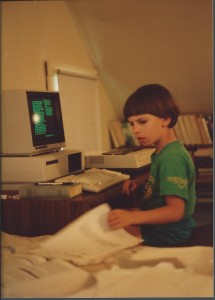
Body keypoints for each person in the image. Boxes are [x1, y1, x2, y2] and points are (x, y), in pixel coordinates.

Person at [107, 84, 196, 247]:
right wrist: (140, 182)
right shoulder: (165, 150)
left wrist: (133, 218)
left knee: (107, 232)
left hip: (167, 234)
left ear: (165, 119)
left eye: (142, 121)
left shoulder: (172, 158)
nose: (136, 130)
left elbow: (175, 212)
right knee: (113, 219)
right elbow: (159, 175)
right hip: (162, 227)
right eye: (132, 124)